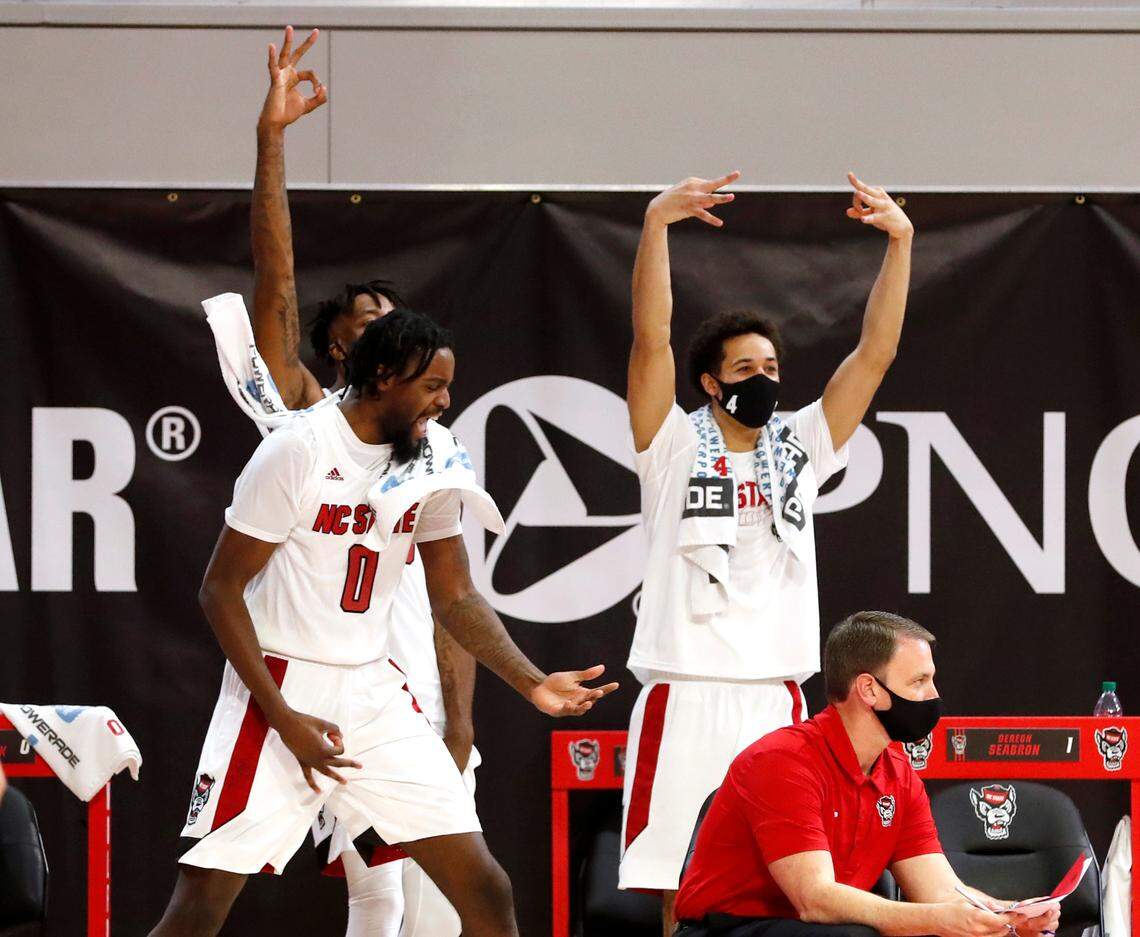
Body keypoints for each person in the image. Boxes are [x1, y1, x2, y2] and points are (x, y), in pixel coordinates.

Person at [148, 310, 618, 937]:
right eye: (431, 387)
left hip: (374, 691)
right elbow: (220, 590)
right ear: (380, 376)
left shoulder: (435, 453)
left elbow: (455, 597)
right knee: (201, 904)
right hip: (280, 686)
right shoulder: (298, 449)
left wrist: (531, 682)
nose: (445, 402)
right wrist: (283, 719)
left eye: (448, 387)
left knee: (485, 887)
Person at [622, 170, 915, 933]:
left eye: (773, 368)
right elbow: (650, 338)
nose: (765, 379)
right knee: (680, 892)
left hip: (777, 696)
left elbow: (875, 353)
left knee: (790, 887)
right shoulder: (672, 442)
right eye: (746, 369)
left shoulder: (802, 443)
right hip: (685, 687)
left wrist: (902, 240)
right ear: (712, 384)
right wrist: (656, 225)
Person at [248, 26, 476, 935]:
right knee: (379, 893)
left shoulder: (435, 441)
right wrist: (271, 142)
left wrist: (460, 719)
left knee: (451, 911)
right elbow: (277, 285)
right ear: (351, 356)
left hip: (412, 674)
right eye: (373, 327)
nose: (397, 334)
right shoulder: (307, 418)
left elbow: (456, 595)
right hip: (332, 674)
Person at [673, 611, 1063, 937]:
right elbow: (815, 899)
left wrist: (1006, 917)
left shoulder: (899, 773)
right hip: (729, 928)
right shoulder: (782, 761)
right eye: (918, 682)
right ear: (869, 690)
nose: (933, 696)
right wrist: (937, 921)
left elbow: (942, 892)